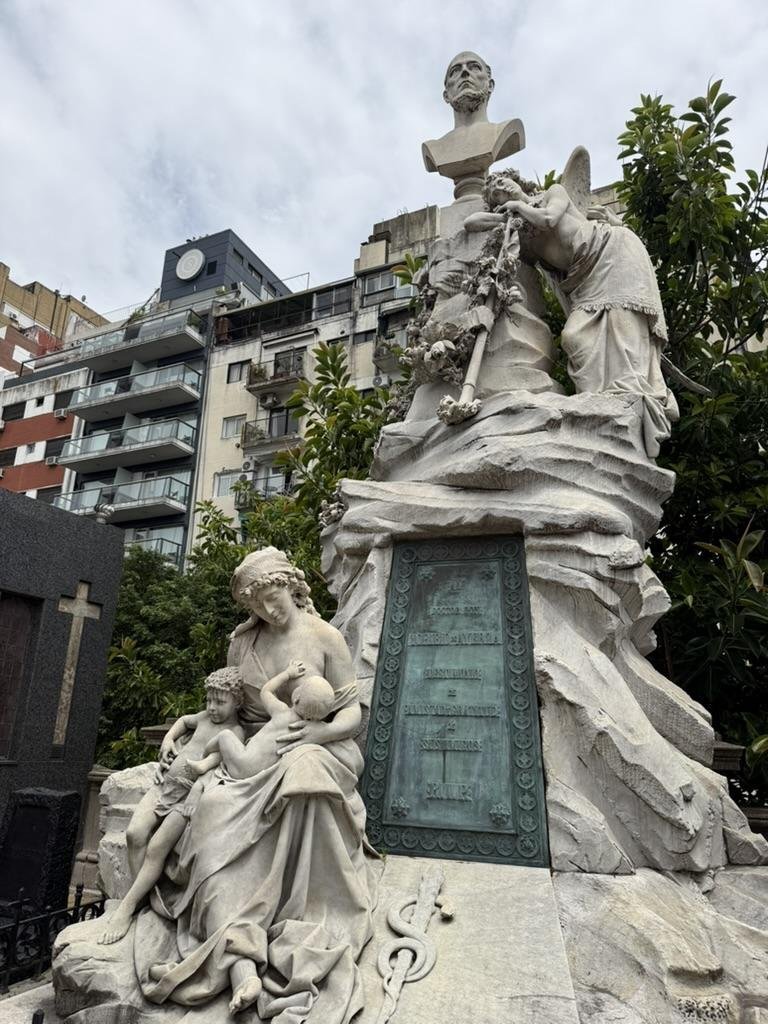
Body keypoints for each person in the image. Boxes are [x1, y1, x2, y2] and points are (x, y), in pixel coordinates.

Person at [121, 548, 372, 1022]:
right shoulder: (244, 642)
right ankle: (236, 948)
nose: (267, 611)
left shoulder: (325, 637)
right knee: (212, 808)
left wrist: (315, 734)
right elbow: (224, 707)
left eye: (272, 598)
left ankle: (282, 915)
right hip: (250, 749)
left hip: (316, 747)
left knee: (303, 776)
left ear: (291, 586)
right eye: (256, 605)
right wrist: (188, 734)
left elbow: (351, 716)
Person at [465, 170, 679, 457]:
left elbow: (550, 219)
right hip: (585, 281)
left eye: (505, 182)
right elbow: (470, 223)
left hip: (612, 254)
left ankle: (632, 403)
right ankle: (603, 414)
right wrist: (501, 217)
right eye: (496, 193)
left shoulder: (552, 194)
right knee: (574, 337)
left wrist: (517, 206)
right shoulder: (519, 231)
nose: (502, 188)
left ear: (520, 183)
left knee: (622, 330)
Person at [97, 668, 245, 945]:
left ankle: (127, 907)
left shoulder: (234, 731)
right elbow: (183, 722)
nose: (212, 707)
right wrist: (168, 740)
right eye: (208, 700)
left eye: (220, 702)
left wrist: (201, 776)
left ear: (237, 702)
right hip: (163, 786)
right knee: (134, 834)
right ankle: (140, 898)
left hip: (185, 798)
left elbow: (216, 761)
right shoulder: (203, 718)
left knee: (156, 848)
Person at [208, 658, 336, 779]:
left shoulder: (282, 712)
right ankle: (208, 761)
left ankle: (205, 757)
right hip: (258, 774)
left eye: (300, 688)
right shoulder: (305, 733)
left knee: (225, 735)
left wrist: (288, 674)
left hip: (241, 764)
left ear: (297, 698)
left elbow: (266, 691)